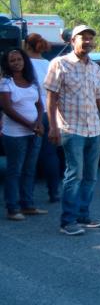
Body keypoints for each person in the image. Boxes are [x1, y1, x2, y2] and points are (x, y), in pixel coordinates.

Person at [45, 25, 100, 236]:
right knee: (74, 174)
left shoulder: (95, 68)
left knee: (91, 176)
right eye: (82, 38)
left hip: (94, 129)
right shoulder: (59, 64)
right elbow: (51, 99)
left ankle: (83, 215)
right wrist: (53, 127)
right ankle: (68, 221)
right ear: (72, 41)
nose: (87, 41)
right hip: (71, 129)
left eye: (90, 38)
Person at [1, 48, 46, 221]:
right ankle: (12, 208)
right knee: (15, 170)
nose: (16, 63)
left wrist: (39, 123)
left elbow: (39, 104)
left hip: (34, 132)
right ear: (7, 64)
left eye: (19, 59)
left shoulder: (32, 81)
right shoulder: (6, 82)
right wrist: (30, 125)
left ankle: (27, 205)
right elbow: (7, 108)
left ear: (24, 61)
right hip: (15, 134)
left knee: (30, 169)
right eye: (12, 60)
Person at [24, 33, 61, 202]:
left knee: (28, 158)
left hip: (29, 113)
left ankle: (27, 197)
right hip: (48, 113)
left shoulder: (23, 64)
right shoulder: (48, 64)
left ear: (26, 45)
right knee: (50, 154)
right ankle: (54, 192)